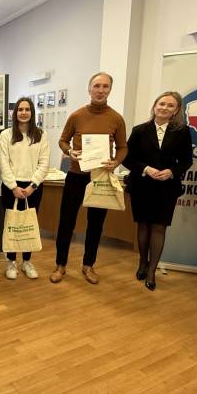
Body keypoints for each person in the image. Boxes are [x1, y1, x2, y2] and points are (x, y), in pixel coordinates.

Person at [51, 72, 127, 285]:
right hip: (76, 176)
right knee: (66, 222)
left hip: (100, 177)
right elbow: (62, 141)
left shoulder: (116, 119)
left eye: (105, 86)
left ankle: (88, 265)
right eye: (97, 86)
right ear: (89, 89)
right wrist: (69, 151)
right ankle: (60, 265)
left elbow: (123, 147)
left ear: (110, 90)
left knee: (96, 223)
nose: (100, 90)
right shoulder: (76, 116)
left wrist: (116, 162)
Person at [122, 92, 193, 290]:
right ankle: (142, 263)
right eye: (161, 104)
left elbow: (187, 160)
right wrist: (145, 168)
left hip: (167, 188)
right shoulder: (139, 130)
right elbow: (127, 158)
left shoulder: (182, 131)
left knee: (159, 228)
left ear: (176, 110)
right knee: (143, 226)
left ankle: (152, 270)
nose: (164, 108)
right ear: (155, 106)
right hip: (142, 185)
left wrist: (172, 172)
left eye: (170, 105)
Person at [0, 97, 50, 280]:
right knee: (12, 224)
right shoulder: (6, 135)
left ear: (32, 112)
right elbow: (3, 163)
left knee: (29, 223)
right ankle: (11, 262)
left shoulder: (41, 135)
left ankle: (27, 261)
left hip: (33, 188)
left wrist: (33, 185)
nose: (24, 112)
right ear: (15, 113)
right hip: (11, 187)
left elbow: (44, 163)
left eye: (27, 109)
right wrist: (13, 187)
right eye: (20, 109)